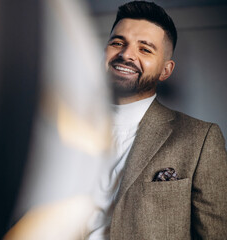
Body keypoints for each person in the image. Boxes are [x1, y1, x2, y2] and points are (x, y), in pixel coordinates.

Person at [89, 1, 227, 239]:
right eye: (117, 43)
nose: (125, 54)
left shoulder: (201, 139)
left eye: (145, 49)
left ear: (166, 70)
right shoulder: (59, 126)